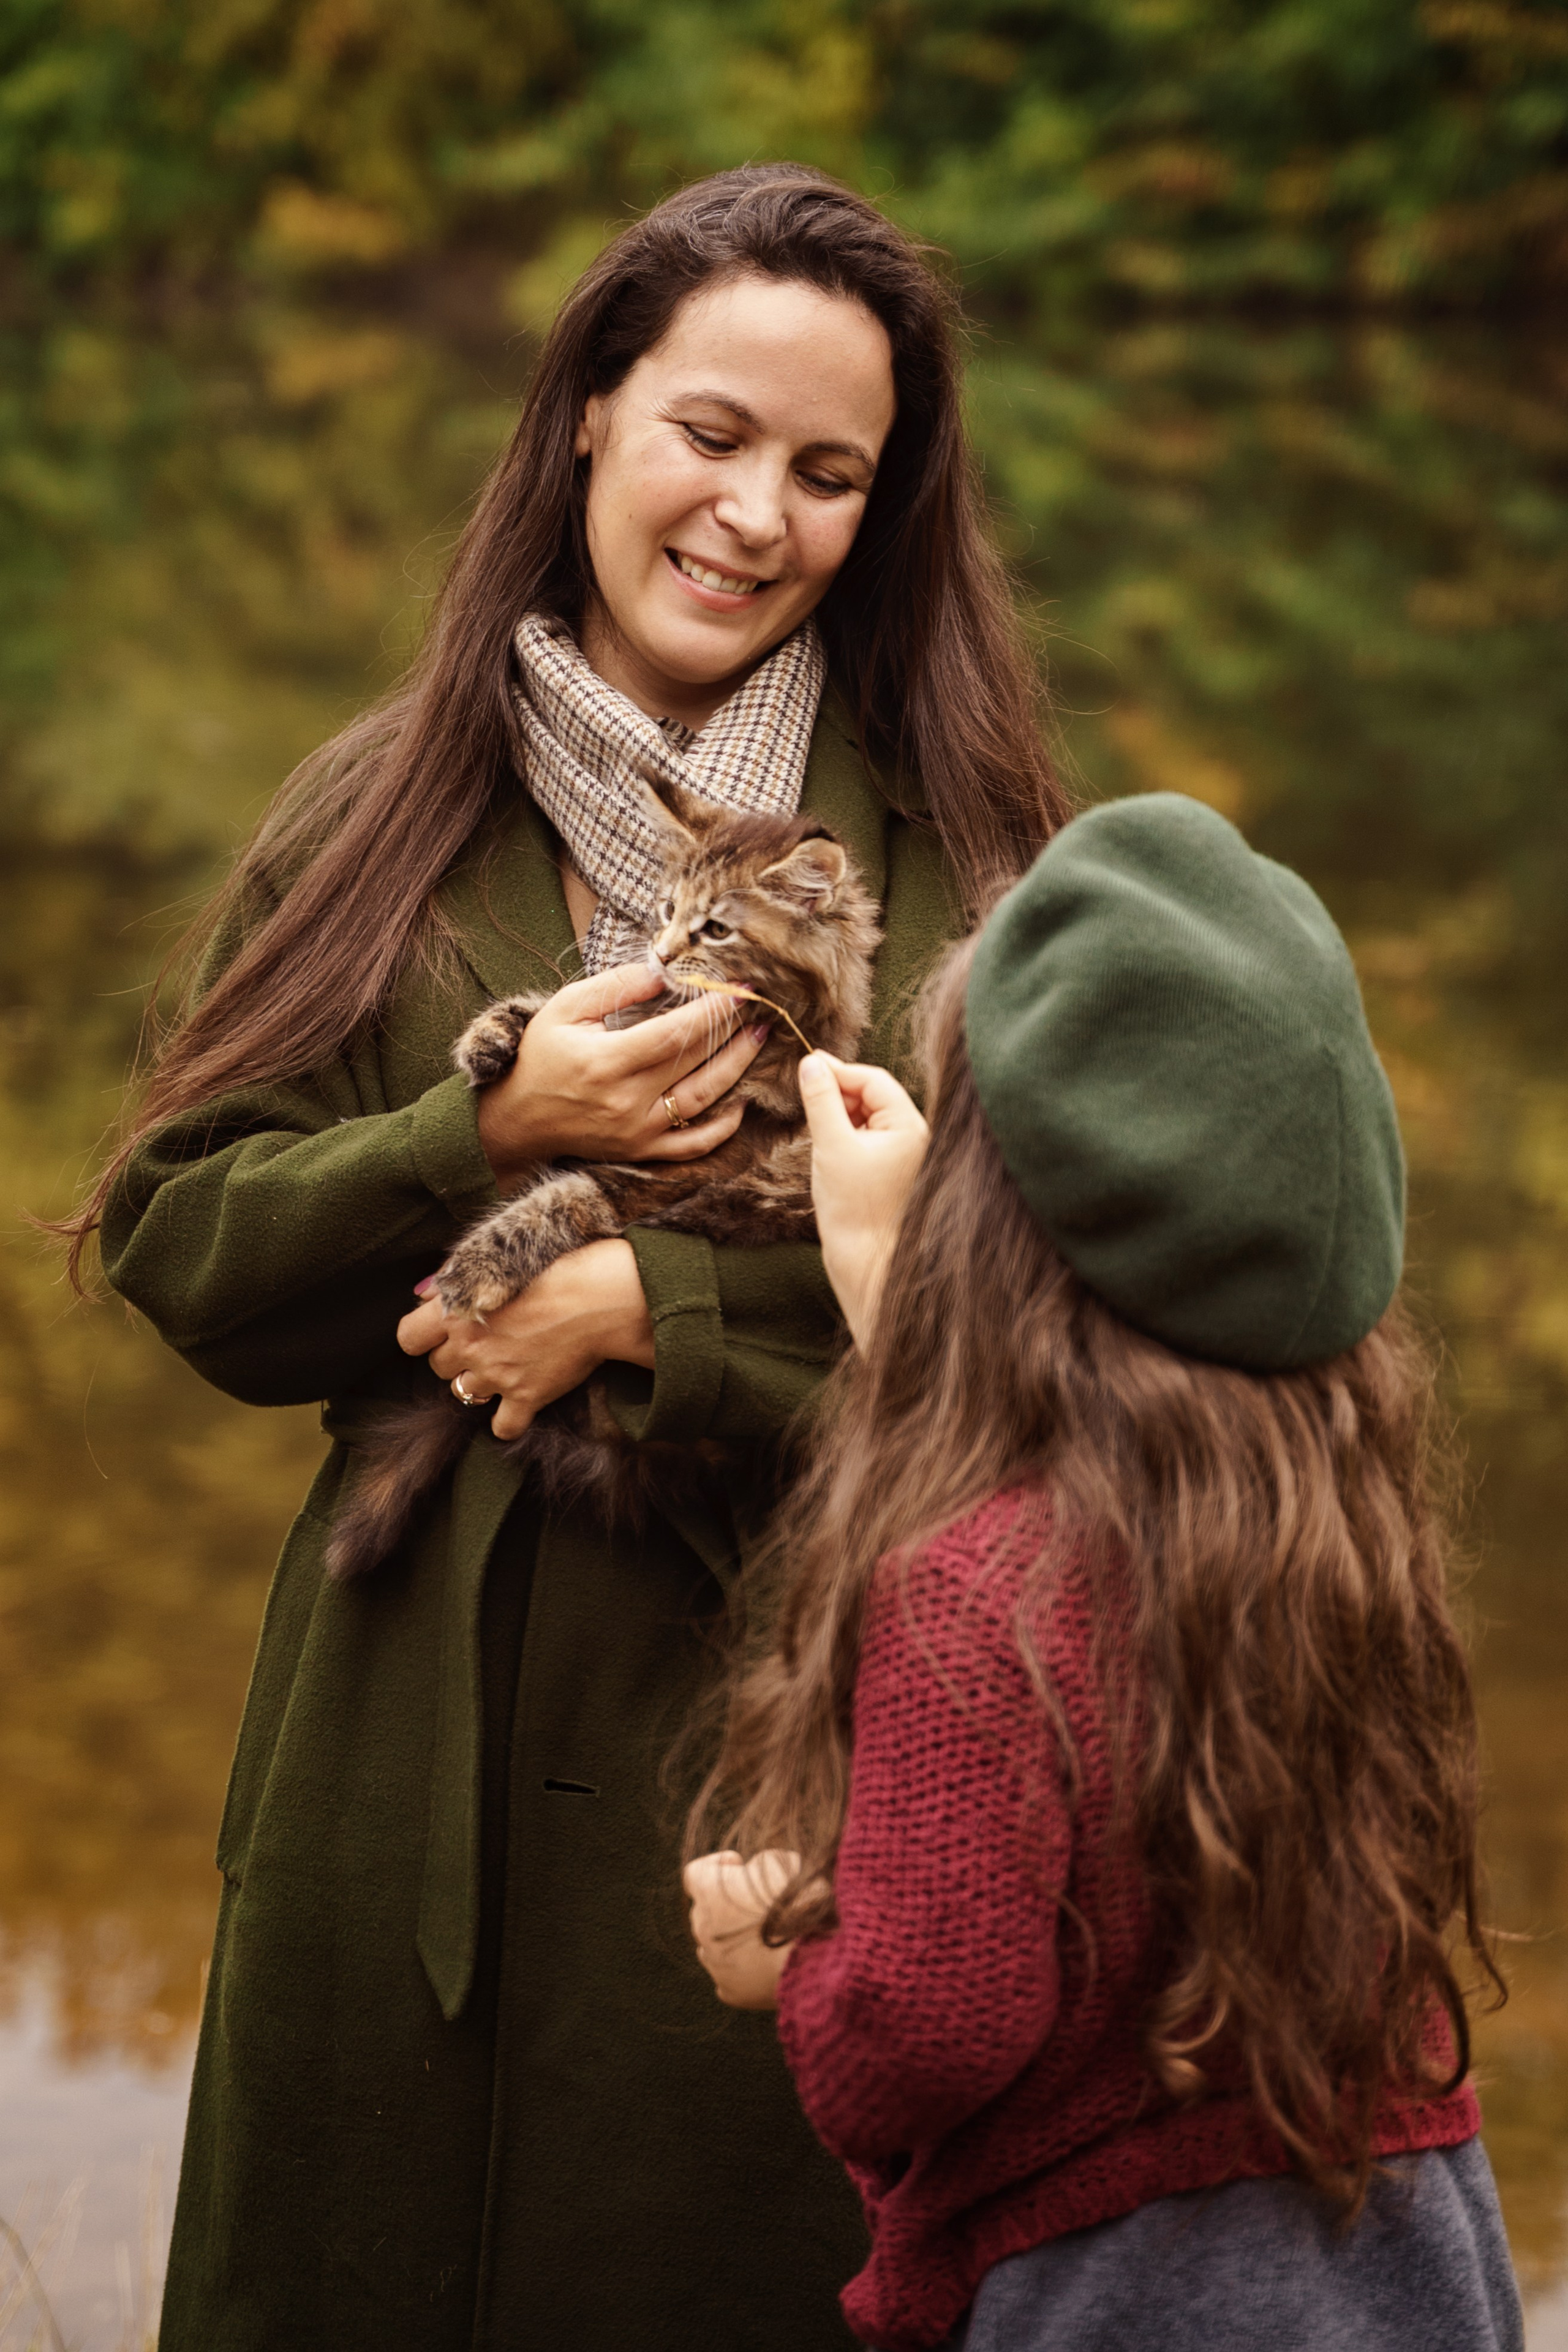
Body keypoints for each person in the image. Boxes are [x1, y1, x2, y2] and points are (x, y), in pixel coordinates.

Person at [69, 168, 1069, 2350]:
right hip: (389, 1776)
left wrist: (663, 1318)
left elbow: (1066, 1349)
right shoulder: (385, 806)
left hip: (783, 1783)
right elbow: (185, 1251)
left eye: (829, 473)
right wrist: (481, 1131)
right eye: (713, 435)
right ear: (595, 414)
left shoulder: (973, 849)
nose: (753, 516)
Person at [685, 792, 1525, 2352]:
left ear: (989, 1224)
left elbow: (921, 2030)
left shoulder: (972, 1590)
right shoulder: (1333, 1526)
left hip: (1137, 2294)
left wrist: (788, 1963)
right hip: (1402, 2253)